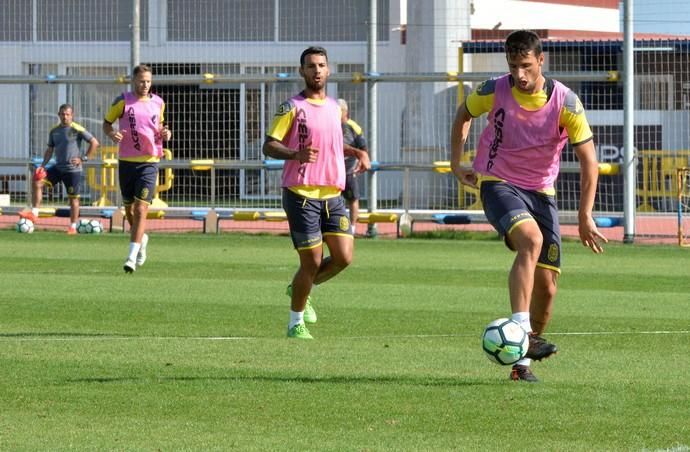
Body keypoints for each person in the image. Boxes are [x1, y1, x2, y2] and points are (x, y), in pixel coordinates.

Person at [449, 30, 608, 382]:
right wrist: (456, 164)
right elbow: (463, 113)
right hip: (497, 182)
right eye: (512, 66)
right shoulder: (494, 89)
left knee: (548, 286)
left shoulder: (566, 103)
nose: (519, 75)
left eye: (525, 66)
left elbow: (589, 162)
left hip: (541, 193)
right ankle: (521, 332)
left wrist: (584, 215)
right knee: (531, 240)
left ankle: (522, 365)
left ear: (541, 61)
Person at [263, 46, 371, 339]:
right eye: (311, 66)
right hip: (301, 194)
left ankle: (300, 288)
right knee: (310, 262)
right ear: (302, 71)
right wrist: (295, 154)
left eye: (321, 65)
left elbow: (332, 144)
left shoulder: (336, 108)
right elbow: (269, 145)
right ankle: (294, 322)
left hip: (332, 195)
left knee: (344, 257)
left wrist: (357, 152)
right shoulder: (292, 107)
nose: (317, 70)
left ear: (329, 70)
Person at [103, 64, 172, 273]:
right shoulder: (123, 101)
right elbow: (106, 123)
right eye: (142, 81)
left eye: (148, 81)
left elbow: (159, 128)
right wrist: (111, 133)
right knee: (129, 211)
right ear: (134, 80)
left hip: (149, 162)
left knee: (141, 209)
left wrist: (165, 133)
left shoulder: (158, 102)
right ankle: (141, 239)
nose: (145, 85)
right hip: (126, 162)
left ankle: (131, 257)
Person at [20, 104, 99, 234]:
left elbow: (94, 143)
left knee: (73, 199)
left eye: (67, 114)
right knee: (37, 181)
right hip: (58, 168)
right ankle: (34, 213)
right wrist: (42, 166)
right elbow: (50, 149)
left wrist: (83, 158)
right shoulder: (54, 131)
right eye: (62, 114)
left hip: (73, 170)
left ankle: (73, 226)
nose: (65, 117)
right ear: (59, 115)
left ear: (72, 115)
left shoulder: (76, 129)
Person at [337, 98, 369, 233]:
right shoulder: (329, 125)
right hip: (332, 172)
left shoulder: (353, 127)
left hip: (349, 171)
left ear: (345, 112)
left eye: (338, 111)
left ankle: (353, 228)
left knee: (353, 198)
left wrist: (362, 159)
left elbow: (363, 148)